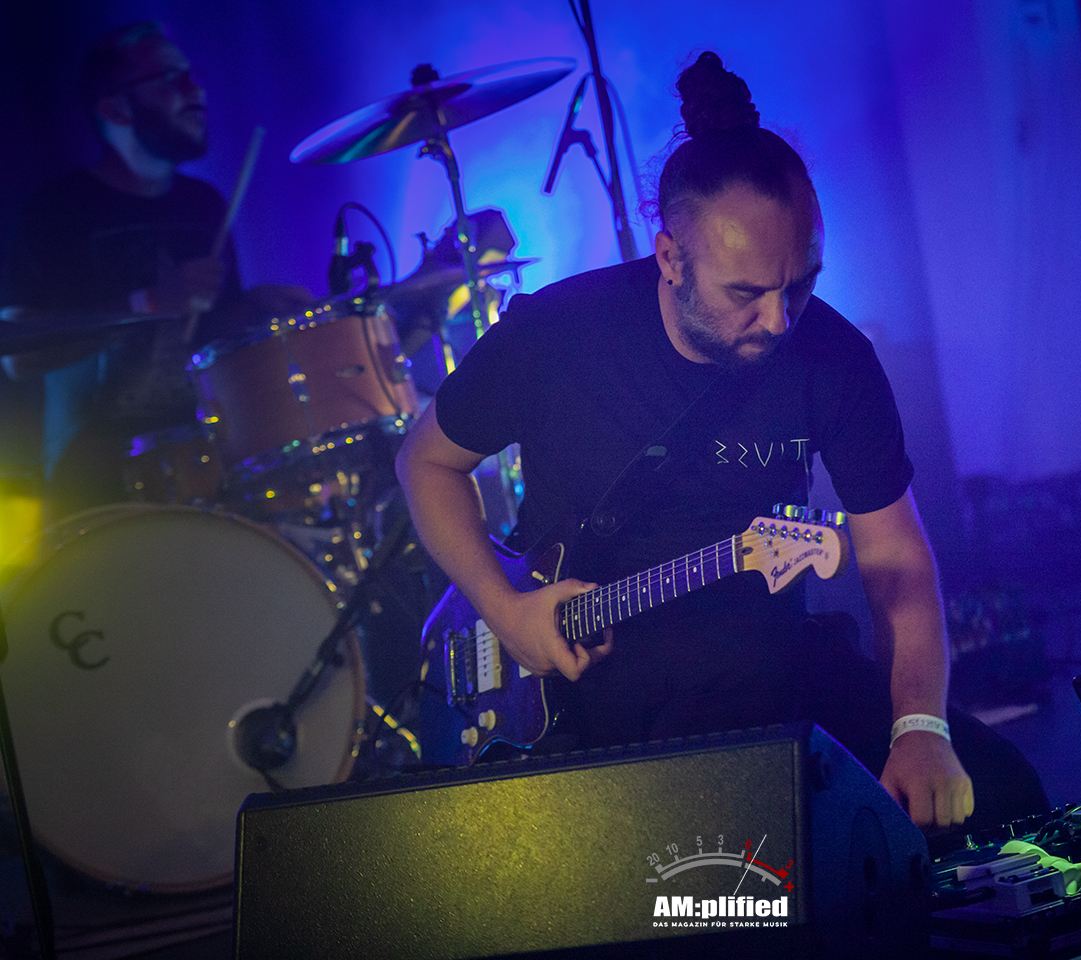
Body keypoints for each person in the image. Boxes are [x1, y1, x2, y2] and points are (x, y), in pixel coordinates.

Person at [398, 52, 1042, 830]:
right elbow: (426, 462)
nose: (780, 320)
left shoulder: (835, 358)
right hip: (588, 702)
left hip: (768, 677)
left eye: (802, 283)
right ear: (671, 257)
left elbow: (896, 559)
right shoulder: (555, 334)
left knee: (1005, 796)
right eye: (746, 292)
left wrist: (919, 729)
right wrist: (504, 609)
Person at [0, 21, 308, 523]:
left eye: (192, 75)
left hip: (208, 463)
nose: (195, 89)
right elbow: (20, 355)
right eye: (169, 79)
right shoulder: (55, 211)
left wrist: (253, 310)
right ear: (115, 109)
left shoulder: (203, 204)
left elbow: (207, 335)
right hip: (95, 481)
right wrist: (149, 303)